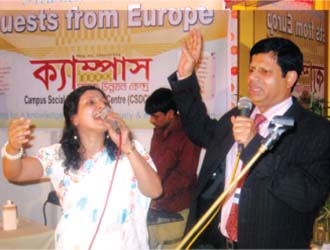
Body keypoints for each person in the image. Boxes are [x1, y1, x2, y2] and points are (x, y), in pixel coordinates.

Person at [167, 29, 330, 249]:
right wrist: (185, 75)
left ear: (289, 78)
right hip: (217, 243)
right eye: (252, 69)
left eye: (264, 71)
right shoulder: (239, 115)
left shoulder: (315, 130)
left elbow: (307, 196)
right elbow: (200, 129)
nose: (252, 77)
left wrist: (255, 145)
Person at [2, 85, 162, 249]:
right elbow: (16, 173)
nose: (101, 106)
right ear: (74, 118)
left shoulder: (130, 150)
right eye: (91, 102)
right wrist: (13, 148)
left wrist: (127, 146)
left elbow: (155, 191)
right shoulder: (58, 155)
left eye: (104, 103)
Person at [144, 88, 201, 248]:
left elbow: (185, 175)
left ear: (170, 113)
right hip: (154, 207)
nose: (151, 121)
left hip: (176, 209)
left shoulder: (188, 134)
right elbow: (153, 165)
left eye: (156, 116)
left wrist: (158, 194)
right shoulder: (158, 131)